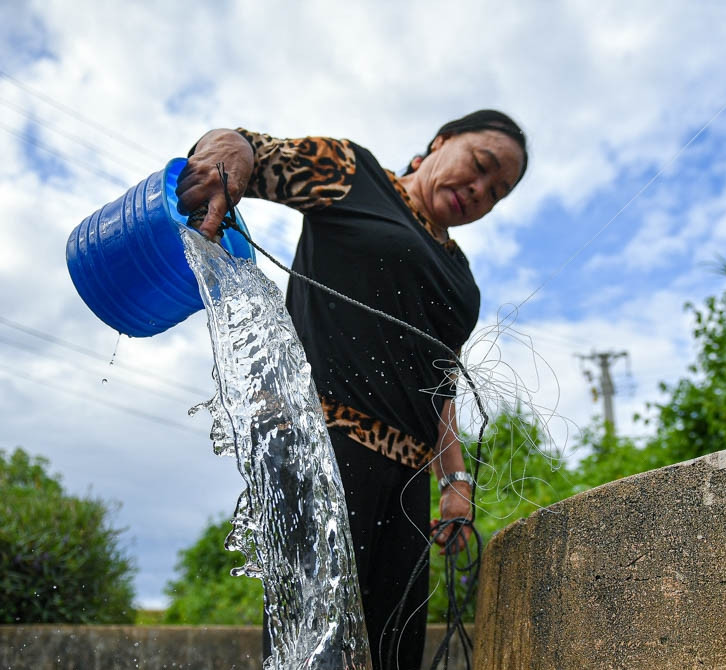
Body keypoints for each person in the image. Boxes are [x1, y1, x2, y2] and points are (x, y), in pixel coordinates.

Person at [176, 110, 527, 669]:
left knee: (395, 655)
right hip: (324, 451)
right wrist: (227, 155)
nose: (480, 190)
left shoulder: (463, 279)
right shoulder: (352, 173)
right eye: (480, 166)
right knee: (318, 650)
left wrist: (454, 482)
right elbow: (253, 151)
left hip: (410, 483)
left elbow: (440, 387)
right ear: (440, 141)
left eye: (497, 191)